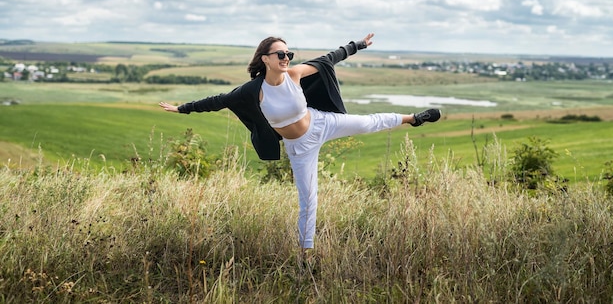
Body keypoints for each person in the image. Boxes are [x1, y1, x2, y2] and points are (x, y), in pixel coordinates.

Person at [159, 33, 440, 250]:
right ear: (265, 59)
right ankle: (306, 253)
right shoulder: (251, 92)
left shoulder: (294, 74)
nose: (286, 57)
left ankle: (413, 118)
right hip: (300, 147)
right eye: (280, 53)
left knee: (369, 122)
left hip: (321, 122)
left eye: (288, 53)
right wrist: (181, 108)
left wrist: (358, 45)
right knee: (308, 199)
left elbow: (330, 58)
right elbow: (216, 101)